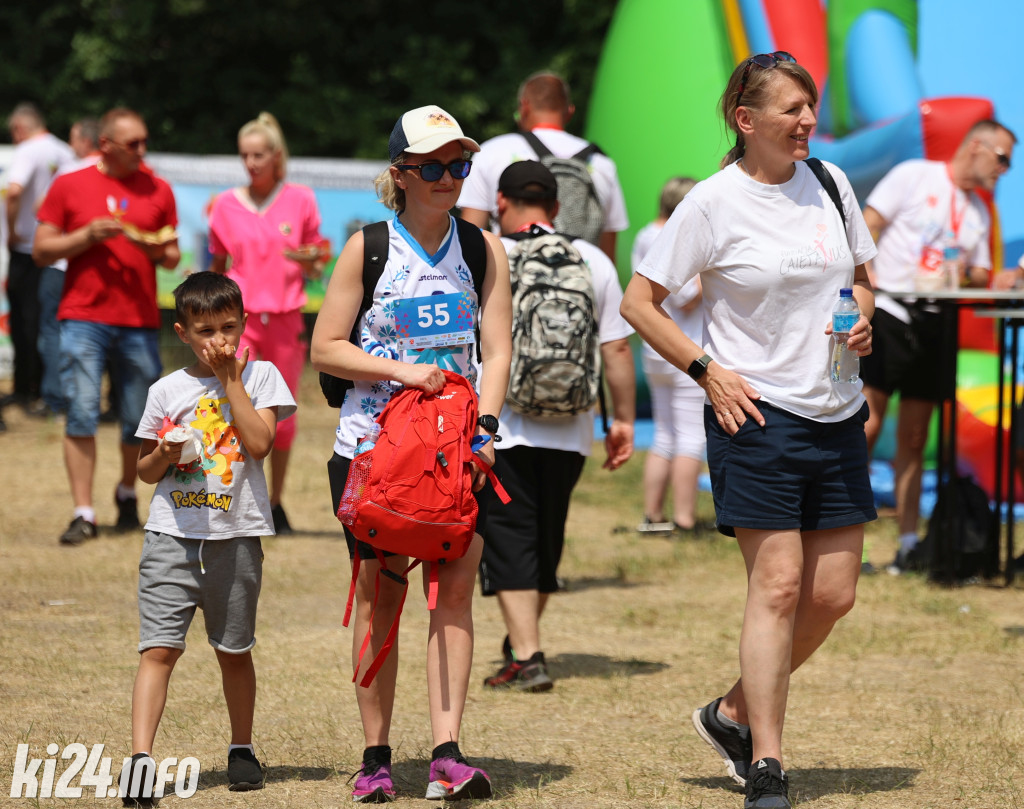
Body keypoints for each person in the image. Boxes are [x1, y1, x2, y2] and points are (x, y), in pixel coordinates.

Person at [620, 52, 877, 809]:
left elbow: (863, 274)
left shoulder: (831, 183)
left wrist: (862, 315)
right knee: (779, 586)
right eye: (792, 109)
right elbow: (641, 303)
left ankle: (730, 712)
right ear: (747, 120)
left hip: (837, 411)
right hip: (756, 415)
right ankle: (768, 760)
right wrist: (707, 370)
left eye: (811, 106)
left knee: (832, 595)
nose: (808, 120)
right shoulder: (712, 202)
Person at [310, 104, 511, 803]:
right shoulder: (367, 248)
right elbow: (326, 346)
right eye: (432, 165)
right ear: (401, 172)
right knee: (379, 598)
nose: (447, 177)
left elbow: (499, 344)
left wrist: (485, 423)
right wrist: (404, 374)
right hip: (373, 452)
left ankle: (448, 754)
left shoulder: (483, 248)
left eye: (458, 164)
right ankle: (375, 759)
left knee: (454, 595)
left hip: (459, 454)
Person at [120, 272, 296, 806]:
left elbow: (261, 442)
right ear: (182, 331)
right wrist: (165, 454)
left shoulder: (261, 377)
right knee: (158, 649)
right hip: (171, 537)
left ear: (243, 325)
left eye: (227, 327)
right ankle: (141, 762)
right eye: (204, 330)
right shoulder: (166, 390)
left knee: (233, 650)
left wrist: (233, 382)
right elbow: (146, 473)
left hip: (235, 538)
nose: (217, 340)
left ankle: (241, 748)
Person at [478, 160, 635, 692]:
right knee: (546, 539)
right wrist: (624, 421)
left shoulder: (489, 254)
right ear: (556, 204)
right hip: (572, 425)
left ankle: (527, 653)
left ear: (502, 203)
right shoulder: (593, 260)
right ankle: (522, 643)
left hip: (504, 424)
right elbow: (615, 348)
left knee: (508, 536)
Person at [859, 119, 1016, 574]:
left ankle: (908, 544)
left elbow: (980, 275)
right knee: (865, 429)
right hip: (889, 312)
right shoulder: (914, 174)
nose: (1005, 169)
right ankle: (850, 544)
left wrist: (963, 275)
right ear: (976, 146)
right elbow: (869, 224)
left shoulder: (979, 211)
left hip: (936, 322)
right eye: (1002, 158)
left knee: (914, 437)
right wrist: (865, 283)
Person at [34, 107, 180, 545]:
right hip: (82, 318)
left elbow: (171, 255)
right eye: (132, 144)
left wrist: (151, 245)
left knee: (139, 419)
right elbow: (41, 250)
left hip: (137, 319)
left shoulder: (158, 188)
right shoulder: (69, 185)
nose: (142, 151)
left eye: (144, 141)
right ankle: (84, 512)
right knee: (80, 410)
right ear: (106, 146)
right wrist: (85, 237)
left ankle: (126, 492)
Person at [208, 111, 327, 535]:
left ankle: (275, 501)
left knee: (282, 412)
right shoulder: (224, 204)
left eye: (259, 154)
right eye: (245, 155)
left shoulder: (301, 199)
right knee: (236, 404)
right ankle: (237, 495)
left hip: (285, 318)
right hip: (238, 321)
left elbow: (315, 264)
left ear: (276, 156)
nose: (251, 163)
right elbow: (217, 267)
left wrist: (312, 261)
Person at [458, 71, 628, 261]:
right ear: (570, 111)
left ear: (524, 107)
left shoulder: (490, 152)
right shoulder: (601, 163)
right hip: (582, 283)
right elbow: (606, 255)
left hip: (509, 279)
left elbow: (469, 241)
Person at [630, 176, 707, 535]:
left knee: (665, 433)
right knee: (692, 435)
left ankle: (653, 513)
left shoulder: (644, 233)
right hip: (683, 348)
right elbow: (684, 296)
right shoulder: (671, 236)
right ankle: (684, 519)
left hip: (654, 349)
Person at [3, 102, 73, 416]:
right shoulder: (63, 151)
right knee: (48, 322)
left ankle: (25, 388)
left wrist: (13, 229)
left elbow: (14, 190)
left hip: (27, 248)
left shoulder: (28, 150)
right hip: (56, 248)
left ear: (19, 129)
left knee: (25, 322)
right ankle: (44, 387)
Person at [36, 117, 103, 419]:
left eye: (73, 139)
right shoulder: (116, 174)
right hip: (99, 271)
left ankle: (57, 398)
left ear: (86, 142)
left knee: (53, 332)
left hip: (63, 264)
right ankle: (113, 402)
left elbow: (43, 208)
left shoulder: (67, 172)